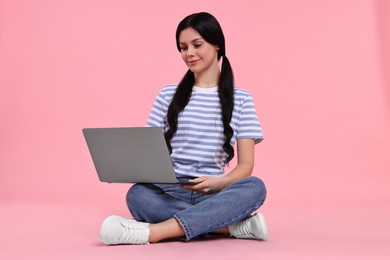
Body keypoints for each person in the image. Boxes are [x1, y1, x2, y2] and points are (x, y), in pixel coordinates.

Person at [99, 12, 268, 245]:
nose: (189, 53)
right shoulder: (167, 95)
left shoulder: (242, 99)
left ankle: (150, 233)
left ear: (217, 44)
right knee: (138, 195)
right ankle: (229, 227)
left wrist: (220, 182)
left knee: (255, 187)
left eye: (197, 45)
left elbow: (246, 165)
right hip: (171, 190)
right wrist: (125, 167)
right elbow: (148, 152)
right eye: (182, 47)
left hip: (215, 192)